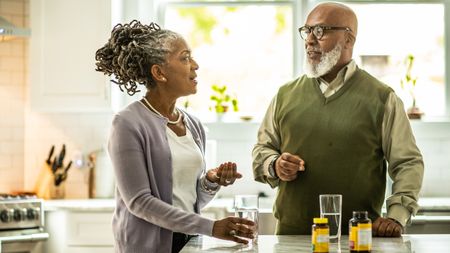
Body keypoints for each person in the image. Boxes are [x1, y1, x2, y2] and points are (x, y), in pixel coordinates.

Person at [252, 2, 424, 237]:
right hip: (292, 236)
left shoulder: (383, 98)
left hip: (359, 238)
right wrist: (275, 164)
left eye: (321, 31)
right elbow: (262, 150)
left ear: (348, 40)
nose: (310, 39)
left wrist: (397, 215)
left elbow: (408, 163)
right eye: (307, 30)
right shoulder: (284, 95)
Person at [95, 20, 255, 252]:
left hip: (188, 242)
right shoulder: (127, 123)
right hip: (145, 246)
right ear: (159, 72)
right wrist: (210, 227)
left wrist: (210, 182)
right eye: (185, 58)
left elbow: (190, 201)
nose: (195, 65)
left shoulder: (193, 124)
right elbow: (139, 202)